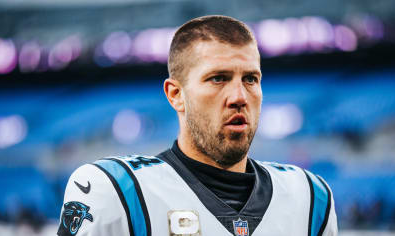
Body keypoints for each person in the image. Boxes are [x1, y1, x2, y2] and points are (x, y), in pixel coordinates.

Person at [57, 15, 338, 236]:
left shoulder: (310, 197)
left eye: (251, 79)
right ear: (176, 95)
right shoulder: (118, 190)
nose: (239, 97)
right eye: (218, 78)